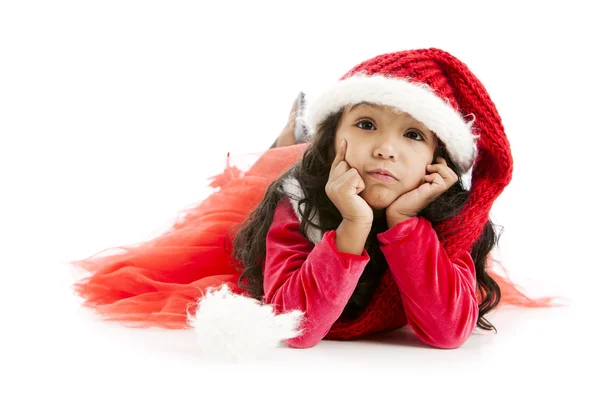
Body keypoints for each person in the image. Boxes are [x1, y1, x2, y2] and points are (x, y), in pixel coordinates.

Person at [71, 48, 555, 354]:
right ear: (337, 135)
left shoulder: (447, 214)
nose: (386, 148)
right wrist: (350, 225)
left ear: (437, 159)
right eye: (366, 124)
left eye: (412, 134)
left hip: (375, 185)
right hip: (319, 183)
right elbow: (296, 327)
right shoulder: (297, 199)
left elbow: (448, 332)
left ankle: (301, 134)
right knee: (240, 199)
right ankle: (294, 136)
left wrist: (406, 222)